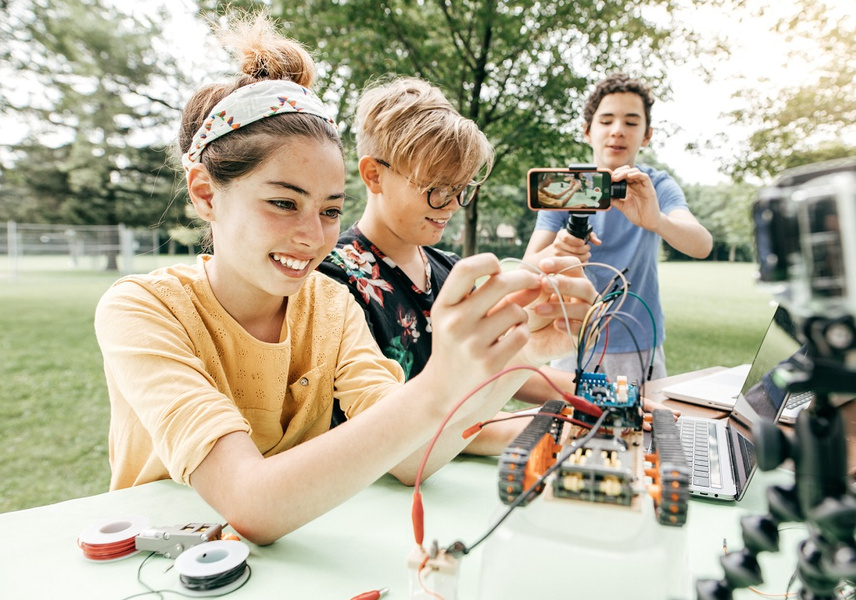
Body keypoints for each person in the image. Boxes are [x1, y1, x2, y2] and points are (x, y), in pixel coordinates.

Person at [93, 13, 595, 546]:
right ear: (204, 192)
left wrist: (514, 354)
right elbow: (250, 503)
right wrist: (443, 382)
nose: (313, 236)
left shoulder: (330, 303)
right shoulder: (142, 309)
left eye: (331, 211)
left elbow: (411, 458)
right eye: (284, 202)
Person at [318, 76, 576, 402]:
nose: (453, 205)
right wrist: (561, 426)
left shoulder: (449, 270)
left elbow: (495, 372)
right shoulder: (333, 281)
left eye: (461, 189)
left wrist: (606, 398)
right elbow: (398, 422)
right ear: (374, 175)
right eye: (437, 189)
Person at [523, 73, 713, 386]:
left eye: (631, 122)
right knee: (570, 428)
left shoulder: (656, 186)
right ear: (587, 131)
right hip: (572, 337)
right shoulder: (563, 187)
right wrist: (558, 249)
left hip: (638, 342)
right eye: (606, 120)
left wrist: (657, 220)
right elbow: (528, 265)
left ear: (647, 135)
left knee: (643, 430)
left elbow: (702, 244)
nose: (617, 131)